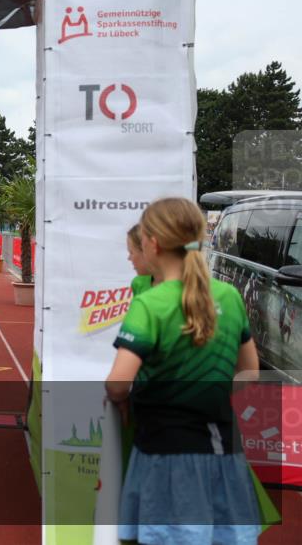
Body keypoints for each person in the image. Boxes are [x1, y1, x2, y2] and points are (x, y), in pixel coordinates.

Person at [106, 197, 261, 545]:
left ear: (154, 243)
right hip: (223, 449)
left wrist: (124, 399)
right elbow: (249, 372)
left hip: (165, 452)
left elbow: (118, 383)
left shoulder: (150, 304)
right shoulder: (229, 296)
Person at [126, 223, 156, 296]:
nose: (129, 258)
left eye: (131, 252)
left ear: (146, 250)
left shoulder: (179, 287)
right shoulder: (138, 283)